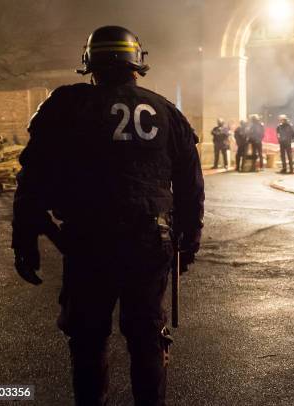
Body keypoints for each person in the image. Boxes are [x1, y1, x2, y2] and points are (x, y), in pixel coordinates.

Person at [11, 26, 205, 405]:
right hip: (150, 242)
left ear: (90, 65)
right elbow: (190, 186)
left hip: (88, 242)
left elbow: (32, 179)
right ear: (137, 66)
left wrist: (25, 239)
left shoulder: (65, 107)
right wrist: (188, 243)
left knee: (87, 339)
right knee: (147, 338)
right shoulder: (165, 111)